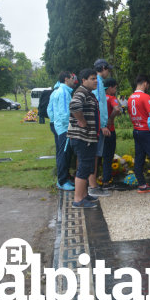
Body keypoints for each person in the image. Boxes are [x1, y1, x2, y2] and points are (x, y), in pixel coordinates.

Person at [67, 69, 101, 209]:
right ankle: (78, 199)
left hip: (87, 137)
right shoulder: (81, 92)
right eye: (92, 78)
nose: (95, 81)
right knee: (84, 167)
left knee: (87, 167)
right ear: (84, 80)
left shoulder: (88, 93)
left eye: (96, 79)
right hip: (82, 137)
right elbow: (74, 106)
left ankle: (84, 194)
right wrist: (82, 121)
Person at [128, 75, 150, 194]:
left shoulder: (130, 98)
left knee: (139, 158)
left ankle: (142, 185)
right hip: (147, 131)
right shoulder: (145, 97)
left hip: (136, 130)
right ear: (145, 84)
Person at [48, 71, 76, 191]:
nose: (74, 80)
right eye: (72, 78)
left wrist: (54, 123)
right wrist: (66, 127)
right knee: (64, 154)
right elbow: (65, 113)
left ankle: (64, 177)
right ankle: (62, 181)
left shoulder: (56, 91)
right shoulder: (64, 92)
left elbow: (50, 110)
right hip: (63, 127)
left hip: (56, 125)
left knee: (62, 153)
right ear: (66, 79)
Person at [88, 58, 113, 197]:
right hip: (97, 126)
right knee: (95, 156)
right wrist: (102, 125)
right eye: (107, 69)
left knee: (96, 155)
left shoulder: (98, 82)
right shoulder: (97, 83)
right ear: (103, 68)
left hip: (97, 125)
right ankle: (92, 186)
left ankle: (93, 185)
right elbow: (98, 105)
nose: (108, 72)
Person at [101, 78, 122, 189]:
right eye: (115, 88)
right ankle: (106, 181)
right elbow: (117, 109)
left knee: (100, 156)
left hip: (99, 130)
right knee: (108, 156)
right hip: (110, 130)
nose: (115, 90)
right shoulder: (111, 98)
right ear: (110, 87)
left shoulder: (100, 97)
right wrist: (111, 118)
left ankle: (97, 179)